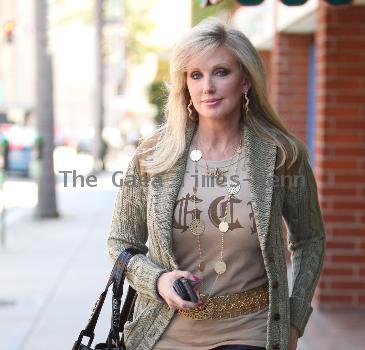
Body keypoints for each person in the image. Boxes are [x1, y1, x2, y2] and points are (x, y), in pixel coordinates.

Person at [107, 17, 326, 350]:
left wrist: (295, 317)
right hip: (164, 333)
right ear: (185, 84)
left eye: (221, 72)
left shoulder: (282, 155)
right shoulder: (154, 154)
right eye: (196, 75)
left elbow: (309, 239)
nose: (207, 86)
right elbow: (121, 241)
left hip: (250, 331)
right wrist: (159, 281)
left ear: (245, 81)